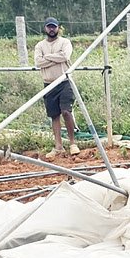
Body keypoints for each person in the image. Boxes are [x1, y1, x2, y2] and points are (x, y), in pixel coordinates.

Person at [34, 17, 79, 157]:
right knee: (54, 115)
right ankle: (58, 146)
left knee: (66, 111)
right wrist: (55, 58)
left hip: (64, 81)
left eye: (54, 26)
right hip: (49, 83)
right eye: (49, 27)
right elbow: (38, 62)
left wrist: (47, 57)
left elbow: (65, 57)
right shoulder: (40, 46)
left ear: (58, 28)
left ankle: (72, 144)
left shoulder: (65, 42)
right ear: (45, 28)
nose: (51, 29)